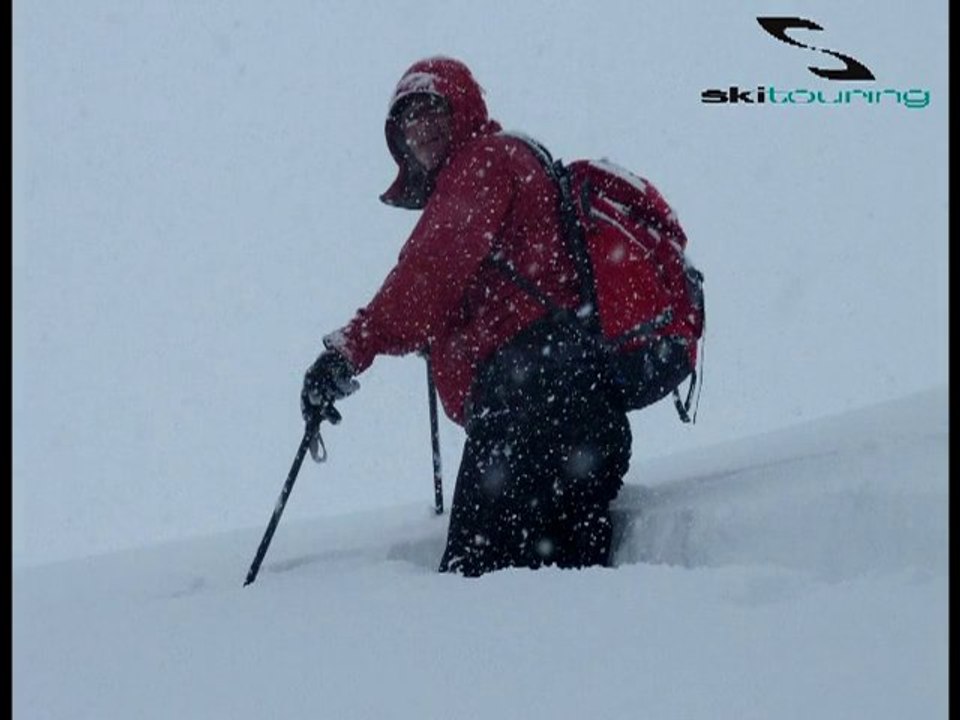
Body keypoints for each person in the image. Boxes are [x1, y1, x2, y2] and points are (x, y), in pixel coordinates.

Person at [301, 56, 631, 577]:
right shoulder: (507, 164)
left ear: (463, 110)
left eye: (434, 109)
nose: (421, 127)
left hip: (528, 406)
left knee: (472, 593)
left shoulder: (483, 163)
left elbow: (426, 279)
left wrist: (349, 348)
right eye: (408, 119)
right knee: (562, 598)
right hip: (578, 408)